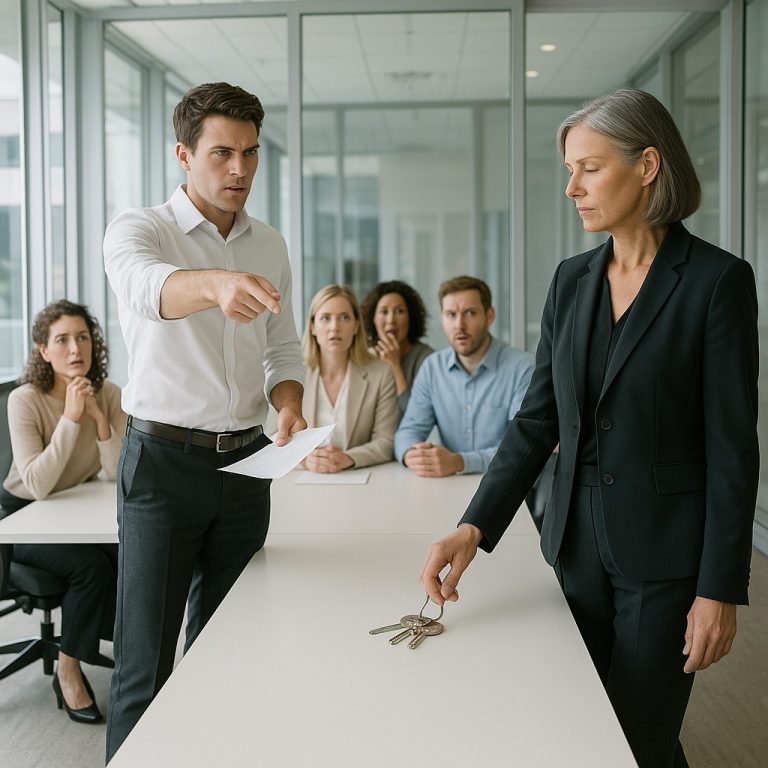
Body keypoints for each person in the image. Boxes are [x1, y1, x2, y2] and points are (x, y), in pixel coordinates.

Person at [420, 90, 759, 768]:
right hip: (576, 552)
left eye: (589, 168)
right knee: (590, 727)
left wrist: (719, 589)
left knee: (634, 738)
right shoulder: (570, 282)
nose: (572, 186)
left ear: (648, 165)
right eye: (569, 169)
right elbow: (537, 419)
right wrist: (474, 525)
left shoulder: (717, 282)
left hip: (665, 565)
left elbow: (732, 450)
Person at [103, 82, 306, 760]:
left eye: (250, 154)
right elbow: (146, 287)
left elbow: (281, 350)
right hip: (161, 468)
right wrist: (216, 283)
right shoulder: (140, 230)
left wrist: (290, 402)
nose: (240, 170)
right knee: (144, 668)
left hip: (247, 469)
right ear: (183, 155)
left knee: (235, 650)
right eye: (222, 153)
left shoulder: (269, 242)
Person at [0, 300, 125, 725]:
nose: (75, 349)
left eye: (83, 337)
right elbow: (35, 484)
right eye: (62, 340)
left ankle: (128, 659)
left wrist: (99, 420)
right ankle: (69, 669)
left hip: (74, 510)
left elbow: (117, 474)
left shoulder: (108, 394)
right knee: (90, 566)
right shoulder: (24, 400)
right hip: (22, 520)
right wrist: (72, 420)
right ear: (43, 350)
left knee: (128, 553)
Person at [394, 275, 534, 477]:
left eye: (470, 313)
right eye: (451, 314)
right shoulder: (432, 368)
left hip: (510, 487)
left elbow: (522, 447)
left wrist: (459, 462)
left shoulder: (522, 368)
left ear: (490, 316)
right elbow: (408, 431)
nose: (459, 325)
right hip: (451, 485)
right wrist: (412, 455)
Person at [302, 284, 398, 472]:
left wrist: (348, 458)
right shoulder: (294, 374)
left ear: (356, 326)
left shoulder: (381, 373)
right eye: (325, 318)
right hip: (305, 478)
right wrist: (305, 460)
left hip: (359, 477)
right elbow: (274, 435)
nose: (334, 327)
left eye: (344, 318)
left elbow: (387, 441)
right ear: (313, 326)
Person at [360, 280, 433, 416]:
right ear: (373, 318)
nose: (391, 320)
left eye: (399, 311)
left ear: (410, 318)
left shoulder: (426, 359)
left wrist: (395, 366)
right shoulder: (365, 357)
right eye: (384, 311)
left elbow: (415, 417)